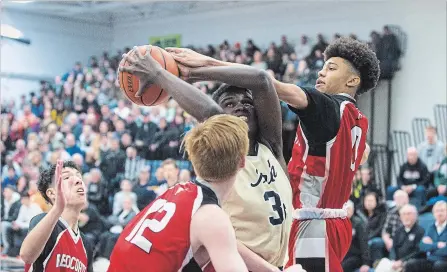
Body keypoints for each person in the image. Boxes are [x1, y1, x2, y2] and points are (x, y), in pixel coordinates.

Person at [163, 37, 378, 271]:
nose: (321, 72)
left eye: (331, 68)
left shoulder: (326, 107)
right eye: (324, 66)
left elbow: (268, 84)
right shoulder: (358, 119)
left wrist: (203, 65)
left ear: (352, 81)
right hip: (336, 222)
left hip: (314, 223)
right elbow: (362, 152)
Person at [121, 45, 293, 271]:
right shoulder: (224, 157)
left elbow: (261, 80)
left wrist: (195, 72)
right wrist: (160, 74)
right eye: (230, 104)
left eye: (247, 102)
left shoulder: (271, 147)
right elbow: (212, 114)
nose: (241, 106)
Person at [108, 114, 249, 271]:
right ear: (242, 161)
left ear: (194, 163)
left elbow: (223, 240)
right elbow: (219, 235)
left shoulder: (177, 191)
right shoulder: (212, 216)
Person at [20, 160, 93, 271]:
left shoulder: (86, 244)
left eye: (79, 177)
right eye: (67, 177)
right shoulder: (42, 221)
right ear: (52, 193)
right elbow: (26, 256)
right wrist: (57, 209)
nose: (78, 180)